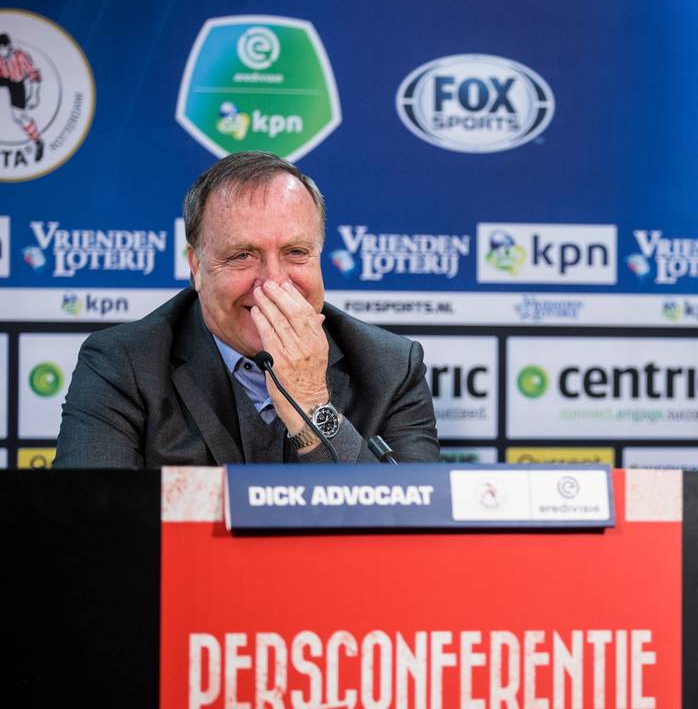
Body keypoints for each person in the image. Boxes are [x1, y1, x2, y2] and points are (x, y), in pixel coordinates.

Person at [54, 151, 439, 467]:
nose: (273, 283)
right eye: (242, 255)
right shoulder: (122, 364)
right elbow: (91, 530)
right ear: (197, 267)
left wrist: (311, 405)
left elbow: (409, 537)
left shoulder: (391, 367)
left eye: (296, 253)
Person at [0, 32, 44, 162]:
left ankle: (37, 141)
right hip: (4, 80)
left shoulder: (19, 56)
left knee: (19, 116)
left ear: (7, 46)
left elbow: (33, 73)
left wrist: (34, 95)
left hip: (17, 83)